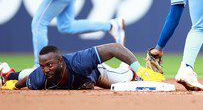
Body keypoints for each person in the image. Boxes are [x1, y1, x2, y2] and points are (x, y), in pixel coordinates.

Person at [0, 43, 165, 90]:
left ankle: (129, 68)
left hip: (96, 74)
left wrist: (139, 69)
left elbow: (115, 48)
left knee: (125, 79)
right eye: (43, 66)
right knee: (26, 74)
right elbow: (28, 79)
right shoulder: (40, 76)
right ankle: (7, 73)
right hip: (78, 80)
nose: (46, 69)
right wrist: (14, 85)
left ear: (61, 61)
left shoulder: (79, 61)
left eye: (50, 64)